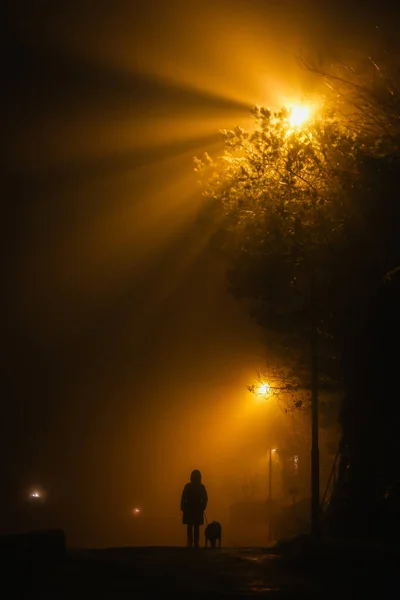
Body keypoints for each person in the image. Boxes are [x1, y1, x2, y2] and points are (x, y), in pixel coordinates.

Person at [181, 469, 208, 547]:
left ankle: (192, 542)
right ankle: (193, 542)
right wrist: (203, 506)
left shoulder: (189, 486)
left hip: (192, 509)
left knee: (192, 526)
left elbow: (184, 497)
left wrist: (183, 507)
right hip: (194, 509)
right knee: (194, 526)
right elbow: (205, 498)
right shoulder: (200, 487)